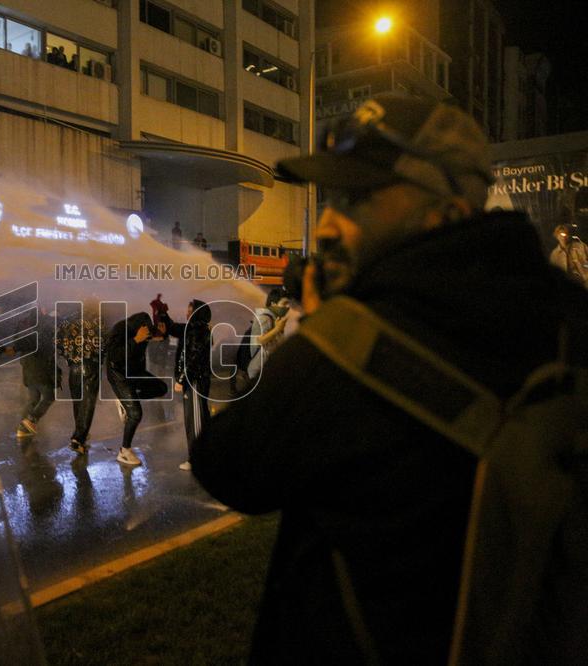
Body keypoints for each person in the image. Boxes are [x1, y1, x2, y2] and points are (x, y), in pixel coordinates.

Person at [191, 94, 588, 664]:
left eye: (358, 197)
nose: (327, 223)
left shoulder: (350, 343)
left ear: (445, 210)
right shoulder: (571, 319)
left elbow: (227, 466)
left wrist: (319, 326)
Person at [104, 312, 168, 466]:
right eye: (146, 332)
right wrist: (135, 340)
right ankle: (124, 452)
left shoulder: (143, 328)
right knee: (135, 414)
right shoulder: (120, 330)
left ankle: (125, 400)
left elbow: (155, 336)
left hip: (135, 371)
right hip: (119, 375)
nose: (147, 335)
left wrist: (162, 334)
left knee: (161, 388)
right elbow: (114, 356)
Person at [159, 300, 212, 471]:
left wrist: (181, 379)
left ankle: (198, 460)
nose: (187, 313)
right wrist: (163, 313)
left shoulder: (198, 331)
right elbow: (173, 328)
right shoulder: (193, 329)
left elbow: (193, 359)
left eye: (190, 310)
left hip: (194, 381)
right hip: (194, 379)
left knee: (195, 420)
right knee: (196, 418)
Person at [56, 305, 102, 455]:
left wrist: (68, 356)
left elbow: (57, 341)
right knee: (88, 404)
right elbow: (104, 344)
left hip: (74, 367)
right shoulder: (98, 321)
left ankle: (80, 434)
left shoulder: (67, 321)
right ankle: (79, 438)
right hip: (90, 365)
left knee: (78, 402)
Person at [230, 288, 290, 395]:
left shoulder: (275, 317)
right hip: (259, 369)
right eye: (284, 303)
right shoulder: (265, 318)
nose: (287, 307)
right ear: (273, 303)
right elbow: (258, 341)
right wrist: (277, 330)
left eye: (288, 303)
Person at [15, 308, 59, 438]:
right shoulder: (43, 326)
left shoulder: (23, 325)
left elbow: (17, 343)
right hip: (40, 368)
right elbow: (47, 348)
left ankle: (22, 428)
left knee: (33, 399)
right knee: (49, 397)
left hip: (27, 366)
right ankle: (31, 420)